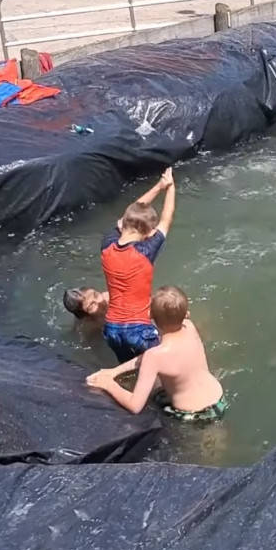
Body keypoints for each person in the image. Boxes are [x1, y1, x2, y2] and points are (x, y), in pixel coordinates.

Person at [86, 286, 227, 421]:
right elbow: (151, 358)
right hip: (218, 398)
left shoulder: (154, 356)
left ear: (149, 314)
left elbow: (135, 406)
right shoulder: (189, 327)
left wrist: (108, 383)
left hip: (193, 414)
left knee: (146, 391)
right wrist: (114, 372)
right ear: (185, 313)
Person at [99, 167, 176, 362]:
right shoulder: (145, 251)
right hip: (139, 329)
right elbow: (167, 219)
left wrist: (159, 186)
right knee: (158, 373)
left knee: (126, 371)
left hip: (112, 330)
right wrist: (170, 187)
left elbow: (130, 213)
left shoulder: (107, 244)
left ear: (122, 225)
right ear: (149, 232)